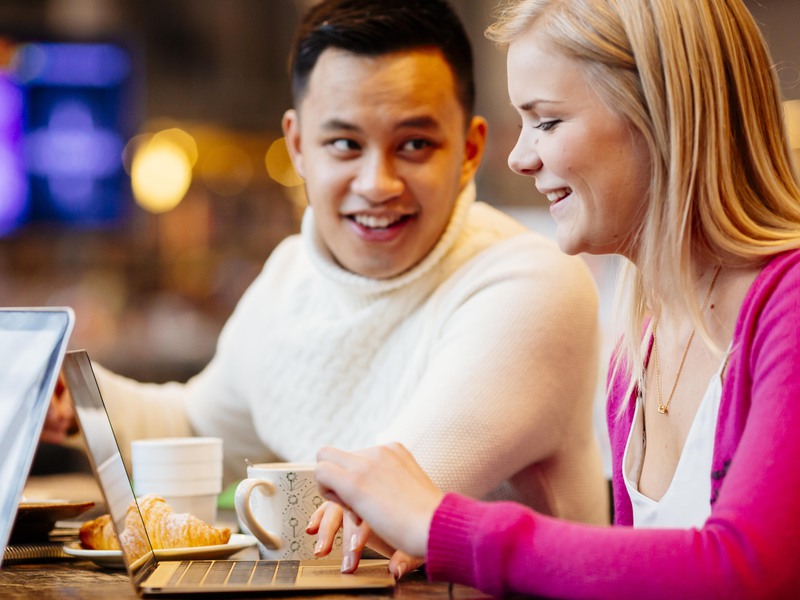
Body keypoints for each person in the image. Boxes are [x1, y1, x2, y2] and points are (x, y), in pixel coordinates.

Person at [45, 0, 609, 576]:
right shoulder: (291, 274)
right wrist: (65, 399)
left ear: (469, 149)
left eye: (414, 144)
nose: (376, 183)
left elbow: (389, 502)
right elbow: (195, 432)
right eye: (344, 144)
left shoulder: (531, 282)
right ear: (297, 146)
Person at [313, 0, 800, 596]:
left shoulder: (790, 304)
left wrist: (444, 526)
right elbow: (641, 571)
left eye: (545, 122)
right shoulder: (642, 345)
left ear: (663, 117)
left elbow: (746, 571)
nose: (520, 157)